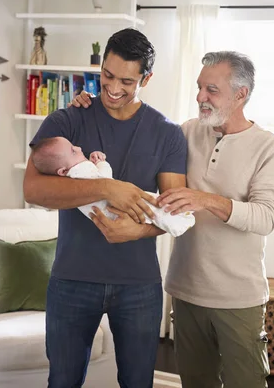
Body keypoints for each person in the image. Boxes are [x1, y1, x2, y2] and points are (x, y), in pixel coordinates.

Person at [70, 50, 274, 388]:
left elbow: (266, 217)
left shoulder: (269, 149)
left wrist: (206, 200)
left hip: (238, 298)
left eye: (211, 90)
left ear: (241, 94)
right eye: (199, 87)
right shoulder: (187, 132)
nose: (200, 97)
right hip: (186, 292)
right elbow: (132, 138)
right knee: (196, 383)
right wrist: (90, 107)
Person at [24, 28, 188, 388]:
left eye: (127, 81)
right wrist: (106, 188)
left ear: (147, 78)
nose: (113, 89)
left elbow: (174, 210)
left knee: (137, 383)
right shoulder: (67, 120)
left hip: (138, 284)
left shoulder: (168, 134)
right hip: (72, 277)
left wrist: (140, 230)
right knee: (62, 381)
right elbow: (33, 189)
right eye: (107, 76)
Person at [30, 136, 195, 237]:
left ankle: (178, 220)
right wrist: (102, 162)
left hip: (107, 215)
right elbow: (107, 182)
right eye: (73, 151)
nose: (79, 148)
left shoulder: (72, 174)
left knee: (149, 211)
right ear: (63, 170)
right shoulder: (80, 170)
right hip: (112, 208)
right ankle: (179, 222)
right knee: (150, 207)